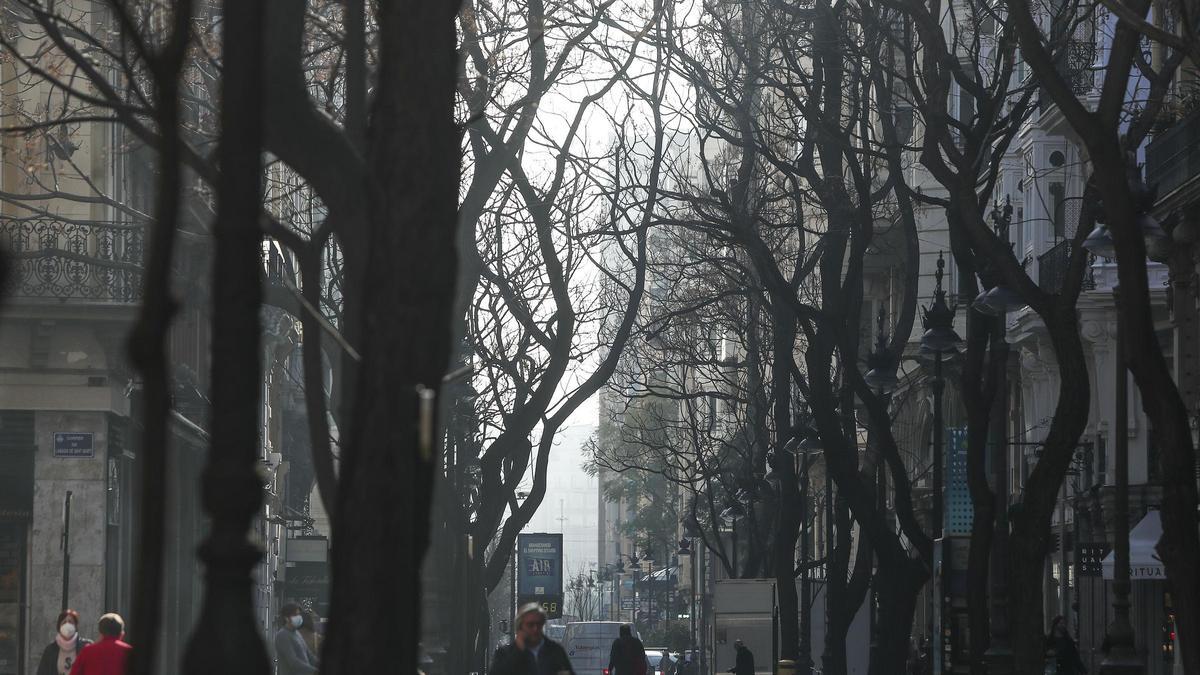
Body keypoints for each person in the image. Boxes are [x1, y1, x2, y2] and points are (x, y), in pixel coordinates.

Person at [491, 603, 574, 675]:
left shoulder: (557, 652)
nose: (535, 628)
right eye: (530, 624)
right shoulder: (504, 655)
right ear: (520, 626)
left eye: (539, 624)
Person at [38, 609, 92, 675]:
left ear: (76, 626)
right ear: (59, 627)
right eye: (64, 622)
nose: (67, 625)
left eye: (70, 622)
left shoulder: (86, 646)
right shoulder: (50, 650)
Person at [274, 603, 318, 675]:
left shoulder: (297, 633)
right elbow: (293, 662)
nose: (298, 617)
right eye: (295, 615)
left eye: (299, 615)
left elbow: (309, 656)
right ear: (287, 618)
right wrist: (315, 671)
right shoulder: (282, 635)